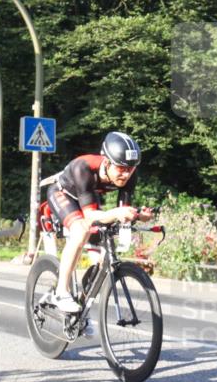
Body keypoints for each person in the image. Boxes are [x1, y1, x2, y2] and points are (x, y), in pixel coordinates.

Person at [46, 132, 153, 332]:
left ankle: (80, 312)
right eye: (121, 168)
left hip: (89, 200)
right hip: (63, 195)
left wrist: (138, 215)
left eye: (130, 169)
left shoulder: (130, 175)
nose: (125, 174)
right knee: (81, 231)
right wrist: (116, 213)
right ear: (107, 162)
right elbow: (90, 217)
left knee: (102, 259)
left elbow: (122, 211)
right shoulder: (83, 168)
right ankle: (61, 291)